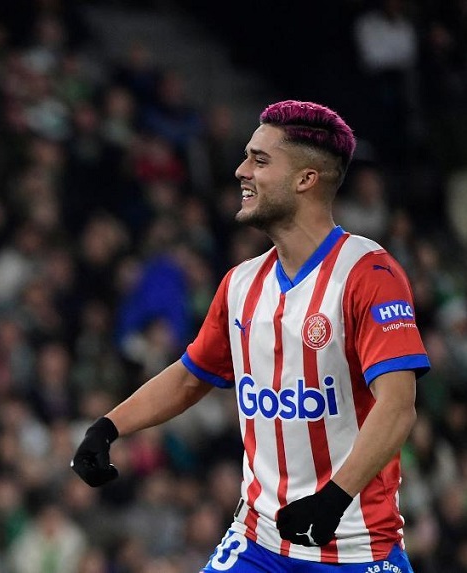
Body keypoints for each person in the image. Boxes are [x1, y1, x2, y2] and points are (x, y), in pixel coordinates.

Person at [72, 100, 430, 571]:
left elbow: (398, 406)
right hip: (258, 544)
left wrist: (334, 498)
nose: (241, 171)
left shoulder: (368, 274)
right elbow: (189, 377)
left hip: (356, 548)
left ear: (305, 179)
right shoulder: (241, 283)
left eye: (259, 160)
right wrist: (108, 427)